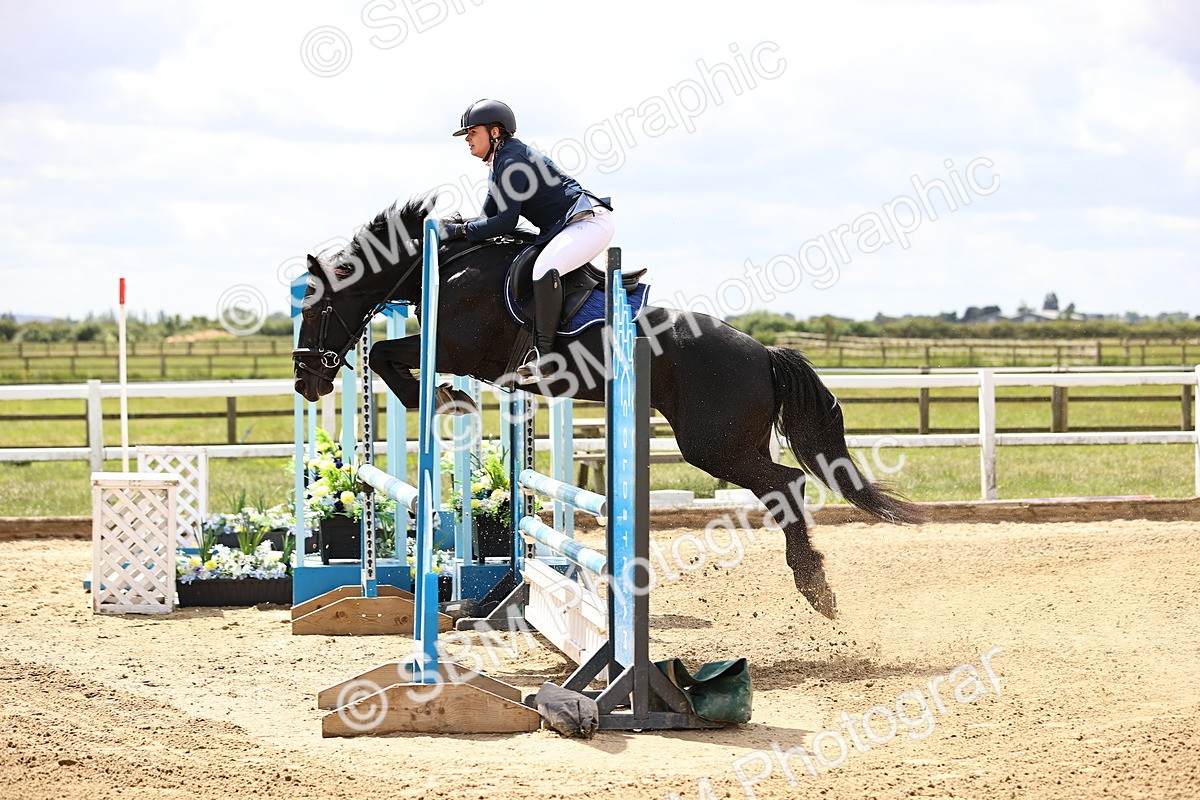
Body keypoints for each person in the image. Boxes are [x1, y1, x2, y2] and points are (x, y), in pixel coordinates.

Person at [439, 99, 615, 384]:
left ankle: (545, 359)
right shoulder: (500, 162)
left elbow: (505, 223)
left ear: (494, 132)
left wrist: (459, 231)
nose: (468, 139)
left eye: (472, 132)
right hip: (567, 226)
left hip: (588, 223)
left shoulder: (511, 161)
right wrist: (458, 227)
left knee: (544, 268)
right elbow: (488, 218)